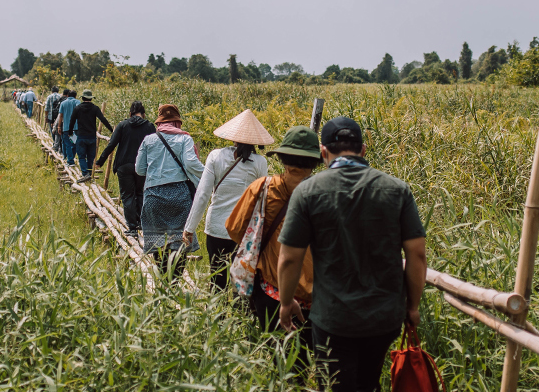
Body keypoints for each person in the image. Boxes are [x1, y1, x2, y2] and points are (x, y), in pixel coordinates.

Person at [275, 116, 427, 392]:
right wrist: (412, 306)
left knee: (335, 385)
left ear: (323, 152)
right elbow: (417, 254)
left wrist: (286, 303)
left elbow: (289, 258)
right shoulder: (397, 189)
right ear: (363, 150)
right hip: (384, 317)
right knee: (369, 383)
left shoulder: (308, 192)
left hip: (334, 318)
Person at [225, 126, 322, 369]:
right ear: (315, 162)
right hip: (318, 298)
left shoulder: (263, 188)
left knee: (281, 361)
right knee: (310, 363)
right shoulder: (327, 194)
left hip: (272, 291)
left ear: (281, 158)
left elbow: (236, 230)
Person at [183, 109, 273, 291]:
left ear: (233, 136)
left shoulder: (216, 156)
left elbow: (202, 195)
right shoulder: (260, 162)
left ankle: (216, 315)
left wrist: (189, 228)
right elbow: (262, 199)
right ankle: (239, 316)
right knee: (240, 281)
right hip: (244, 230)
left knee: (217, 279)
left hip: (217, 227)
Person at [134, 104, 204, 279]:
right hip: (179, 195)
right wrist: (208, 175)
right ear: (176, 122)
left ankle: (162, 278)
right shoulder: (185, 139)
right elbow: (190, 164)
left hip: (153, 196)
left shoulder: (148, 140)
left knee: (158, 241)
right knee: (179, 240)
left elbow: (139, 170)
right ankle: (174, 281)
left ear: (159, 122)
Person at [96, 101, 156, 236]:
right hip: (143, 166)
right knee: (141, 193)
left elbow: (112, 144)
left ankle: (132, 228)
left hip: (124, 165)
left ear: (130, 113)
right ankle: (141, 222)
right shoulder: (149, 127)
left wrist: (100, 161)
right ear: (143, 114)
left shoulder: (123, 125)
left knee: (128, 195)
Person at [68, 89, 112, 180]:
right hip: (92, 137)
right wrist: (112, 130)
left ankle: (85, 174)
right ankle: (88, 172)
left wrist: (70, 132)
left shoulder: (78, 108)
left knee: (82, 156)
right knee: (91, 157)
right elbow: (103, 119)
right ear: (91, 98)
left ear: (83, 98)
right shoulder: (95, 108)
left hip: (81, 136)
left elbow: (72, 121)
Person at [54, 90, 79, 166]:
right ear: (75, 96)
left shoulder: (63, 103)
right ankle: (72, 158)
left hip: (66, 127)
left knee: (68, 144)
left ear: (67, 96)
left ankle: (70, 161)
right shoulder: (77, 102)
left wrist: (59, 126)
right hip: (75, 127)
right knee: (74, 143)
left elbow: (60, 116)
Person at [45, 87, 63, 151]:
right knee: (59, 132)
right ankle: (59, 146)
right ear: (58, 91)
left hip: (51, 117)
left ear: (51, 91)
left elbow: (46, 108)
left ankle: (55, 145)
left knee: (53, 131)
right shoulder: (60, 96)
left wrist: (46, 116)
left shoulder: (49, 97)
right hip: (60, 117)